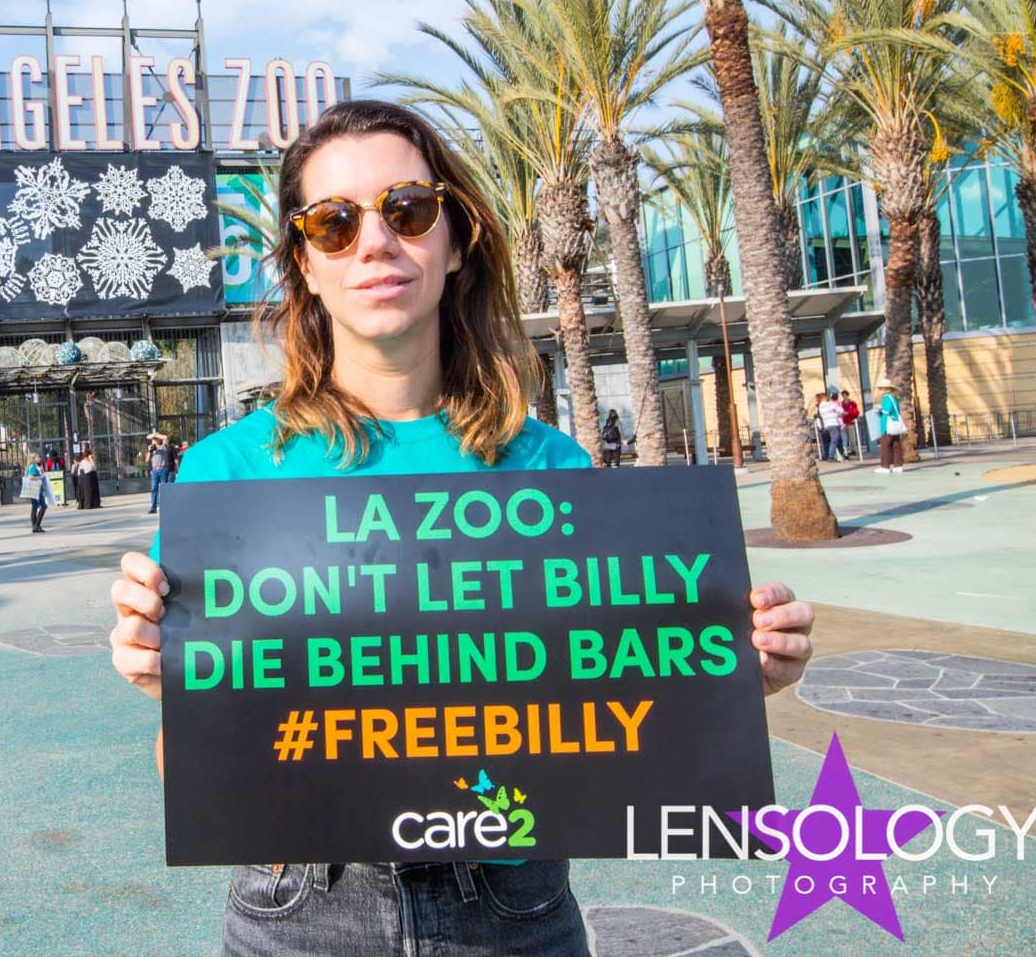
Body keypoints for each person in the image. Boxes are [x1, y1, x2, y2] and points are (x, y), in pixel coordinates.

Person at [105, 100, 815, 956]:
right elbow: (192, 778)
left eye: (407, 209)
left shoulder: (553, 474)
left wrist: (727, 679)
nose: (374, 243)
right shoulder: (229, 476)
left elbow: (621, 714)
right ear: (304, 263)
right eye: (333, 223)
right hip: (298, 910)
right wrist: (176, 695)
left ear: (453, 238)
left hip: (511, 901)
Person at [874, 376, 907, 474]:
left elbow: (886, 411)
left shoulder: (886, 398)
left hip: (888, 425)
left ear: (885, 389)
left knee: (885, 445)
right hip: (895, 424)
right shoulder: (894, 398)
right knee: (896, 445)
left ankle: (885, 466)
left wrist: (879, 409)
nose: (879, 390)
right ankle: (898, 465)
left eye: (880, 388)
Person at [26, 453, 54, 533]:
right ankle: (36, 525)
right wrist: (40, 477)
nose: (40, 458)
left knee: (35, 507)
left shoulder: (37, 466)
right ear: (33, 458)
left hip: (37, 489)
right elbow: (30, 477)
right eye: (38, 457)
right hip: (35, 489)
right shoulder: (33, 466)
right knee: (43, 506)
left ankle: (35, 526)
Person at [817, 390, 846, 462]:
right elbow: (841, 410)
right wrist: (840, 413)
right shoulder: (830, 404)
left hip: (826, 425)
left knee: (837, 440)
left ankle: (842, 454)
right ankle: (831, 456)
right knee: (835, 440)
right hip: (834, 424)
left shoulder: (820, 406)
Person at [147, 432, 171, 514]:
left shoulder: (164, 446)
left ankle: (165, 506)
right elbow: (147, 460)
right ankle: (153, 507)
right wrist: (149, 451)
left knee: (163, 488)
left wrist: (155, 435)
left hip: (163, 469)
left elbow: (166, 436)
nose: (154, 440)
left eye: (156, 439)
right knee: (154, 488)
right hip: (154, 470)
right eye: (153, 439)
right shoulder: (152, 449)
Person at [73, 445, 101, 509]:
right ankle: (87, 504)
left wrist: (91, 460)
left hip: (89, 478)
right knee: (87, 492)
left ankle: (95, 503)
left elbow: (94, 468)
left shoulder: (88, 461)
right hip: (85, 479)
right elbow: (89, 469)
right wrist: (91, 459)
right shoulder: (84, 462)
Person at [840, 389, 861, 456]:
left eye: (845, 395)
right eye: (842, 395)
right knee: (844, 438)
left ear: (847, 395)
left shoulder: (852, 403)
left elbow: (856, 412)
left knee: (852, 437)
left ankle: (853, 450)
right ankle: (845, 450)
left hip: (850, 422)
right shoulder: (841, 404)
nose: (844, 396)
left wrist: (848, 413)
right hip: (843, 423)